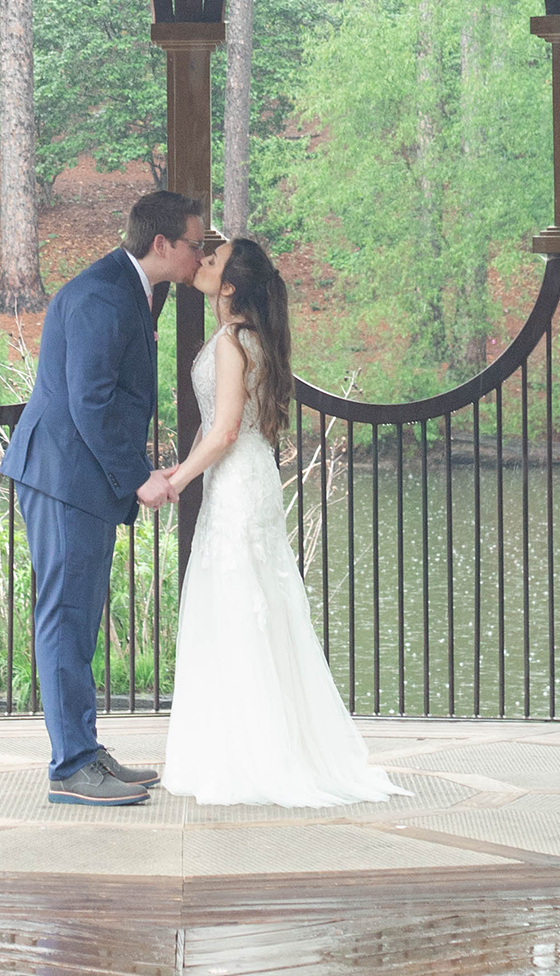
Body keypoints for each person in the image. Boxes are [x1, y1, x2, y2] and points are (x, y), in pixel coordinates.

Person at [158, 234, 404, 808]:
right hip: (253, 476)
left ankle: (246, 754)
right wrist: (187, 464)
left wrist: (177, 480)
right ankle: (262, 742)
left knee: (236, 605)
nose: (203, 261)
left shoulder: (229, 342)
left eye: (212, 261)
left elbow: (221, 432)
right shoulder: (255, 339)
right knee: (256, 606)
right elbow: (220, 428)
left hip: (236, 483)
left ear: (230, 286)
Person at [0, 187, 203, 805]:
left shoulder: (131, 287)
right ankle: (70, 767)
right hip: (63, 478)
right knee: (65, 618)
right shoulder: (103, 296)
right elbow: (89, 400)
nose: (201, 256)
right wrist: (139, 475)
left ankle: (85, 750)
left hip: (76, 480)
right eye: (196, 245)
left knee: (78, 619)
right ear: (162, 244)